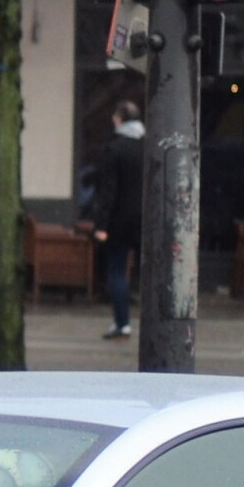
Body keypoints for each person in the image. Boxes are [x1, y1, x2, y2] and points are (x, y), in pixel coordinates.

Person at [92, 101, 145, 340]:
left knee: (116, 271)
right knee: (151, 273)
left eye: (115, 116)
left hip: (119, 221)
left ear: (120, 119)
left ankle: (122, 323)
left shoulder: (115, 149)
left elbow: (108, 191)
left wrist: (101, 225)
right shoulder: (148, 146)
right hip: (146, 220)